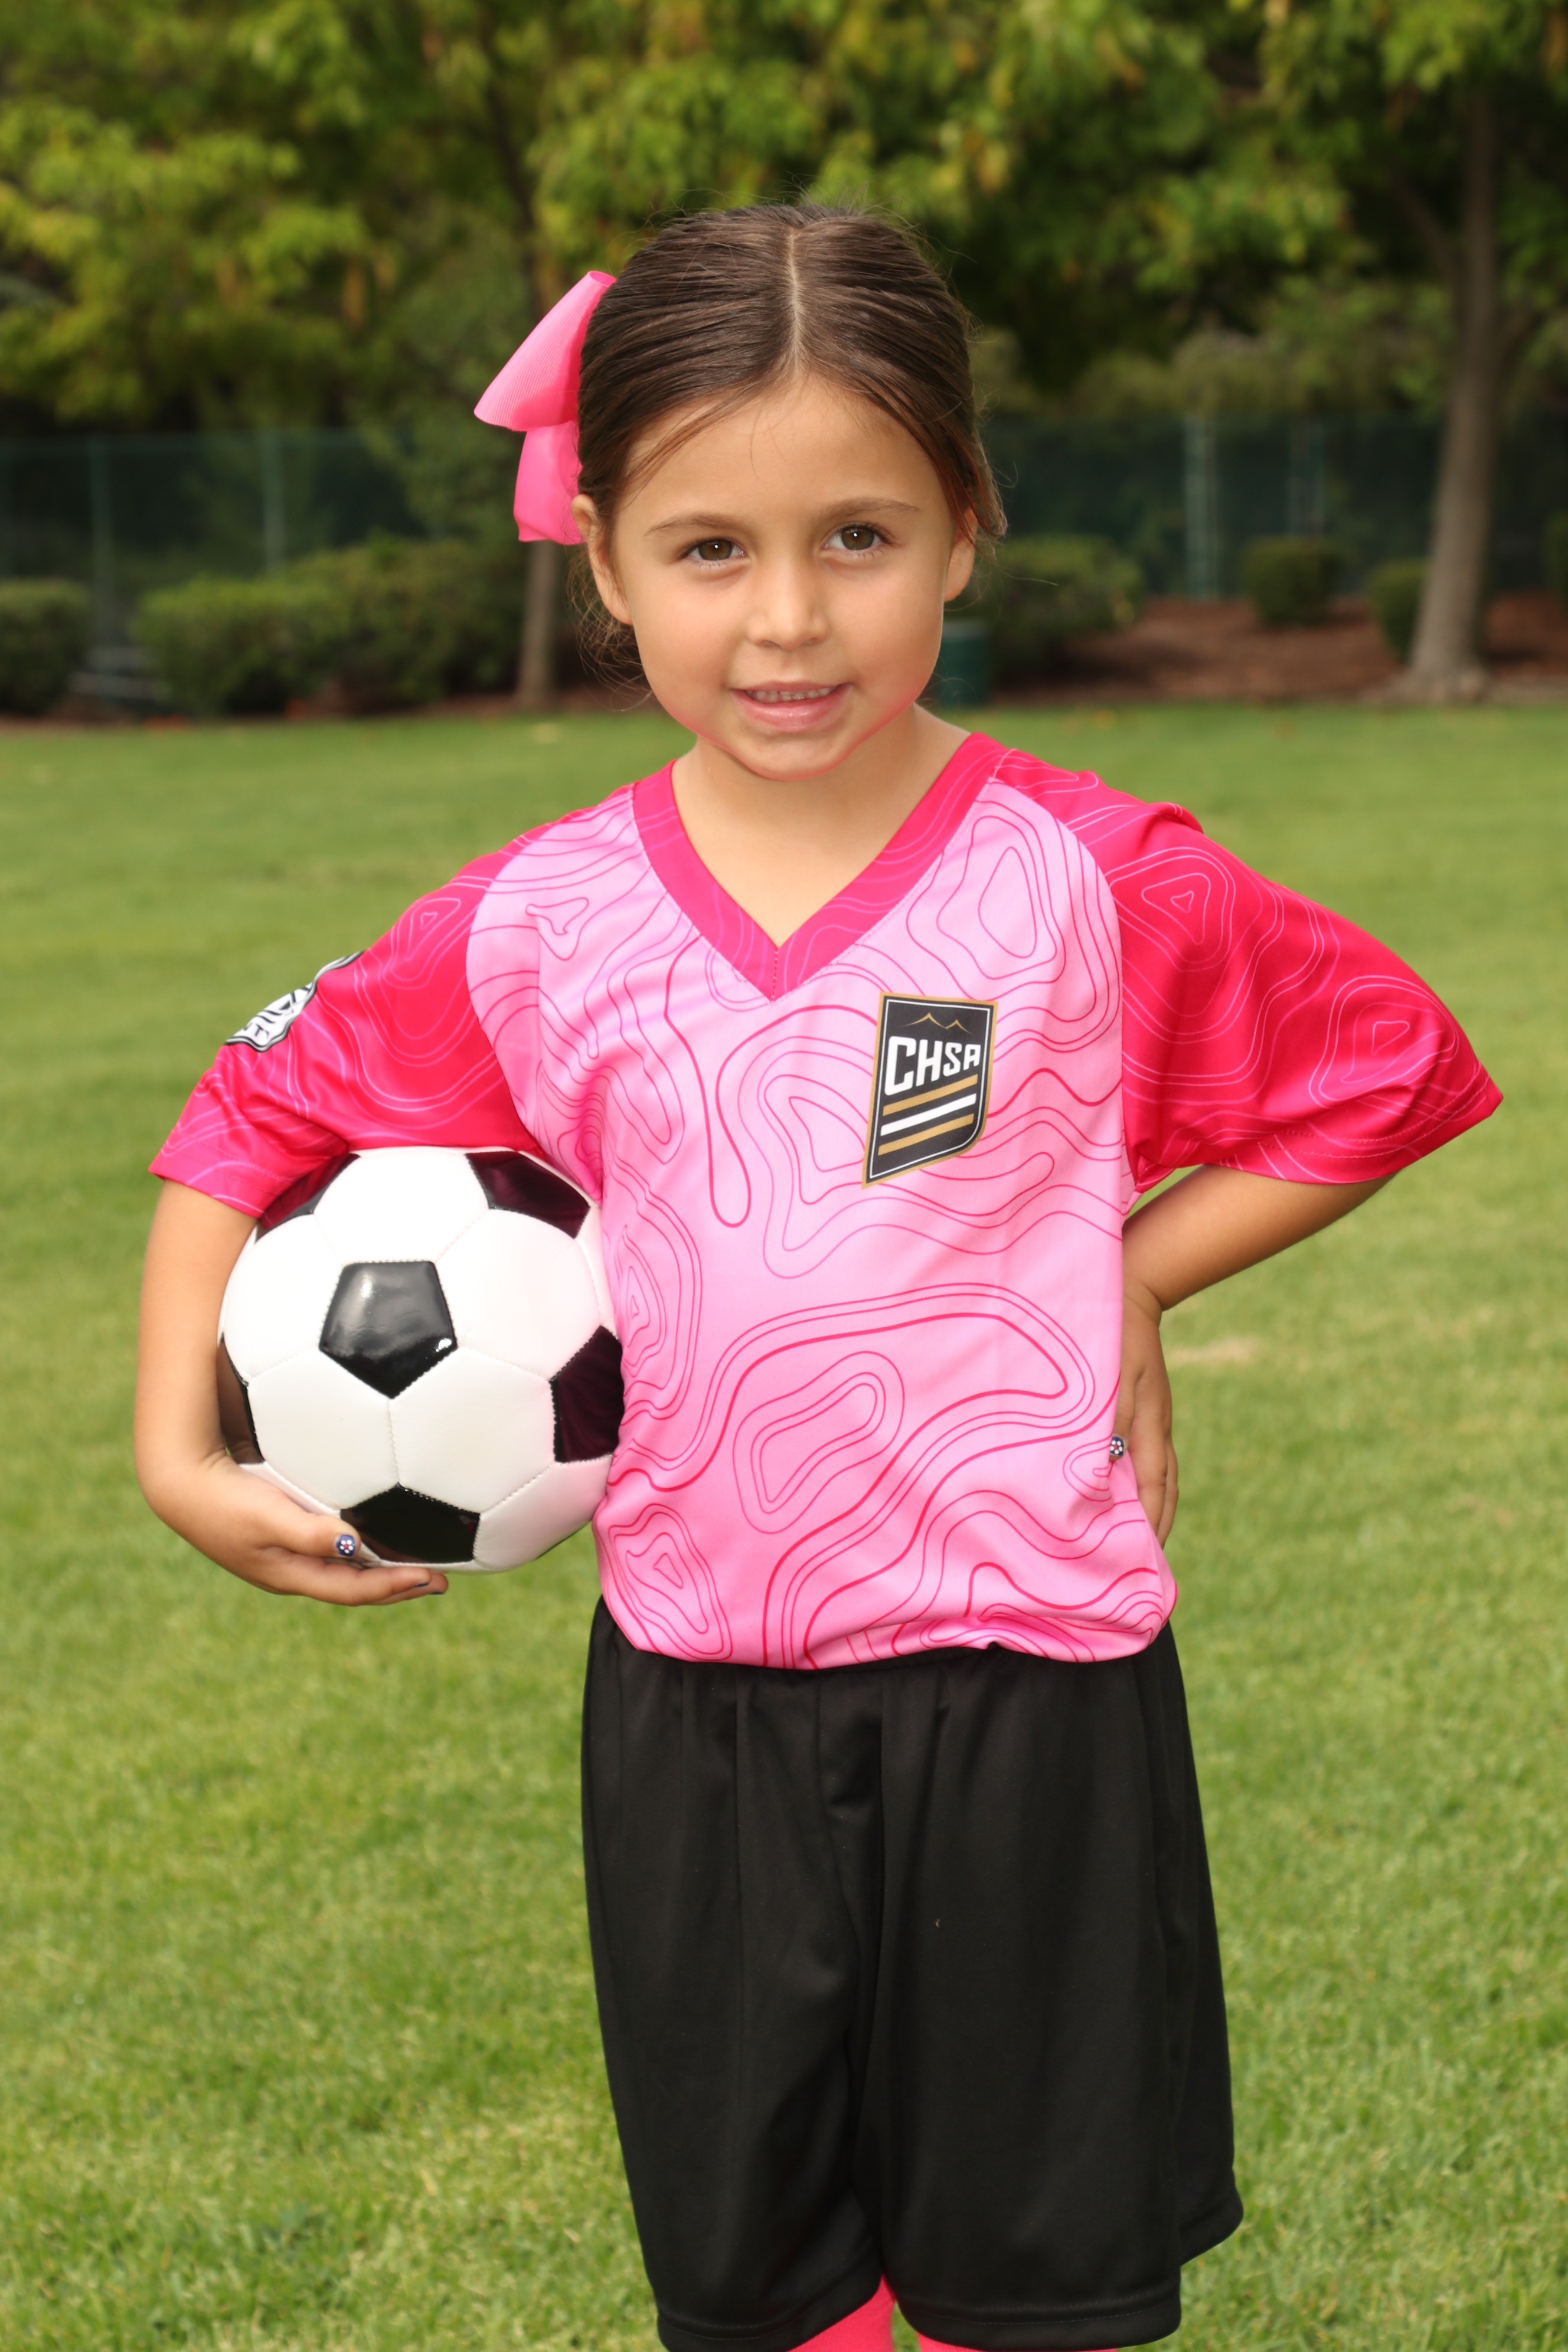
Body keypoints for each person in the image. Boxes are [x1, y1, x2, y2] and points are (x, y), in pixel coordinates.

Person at [135, 205, 1500, 2352]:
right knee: (767, 2297)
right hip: (698, 1705)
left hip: (1032, 1689)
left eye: (858, 536)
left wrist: (1125, 1268)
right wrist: (170, 1444)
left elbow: (1386, 1066)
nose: (787, 619)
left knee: (1029, 2297)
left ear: (966, 529)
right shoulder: (538, 921)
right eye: (709, 550)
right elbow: (253, 1107)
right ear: (601, 563)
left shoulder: (1090, 875)